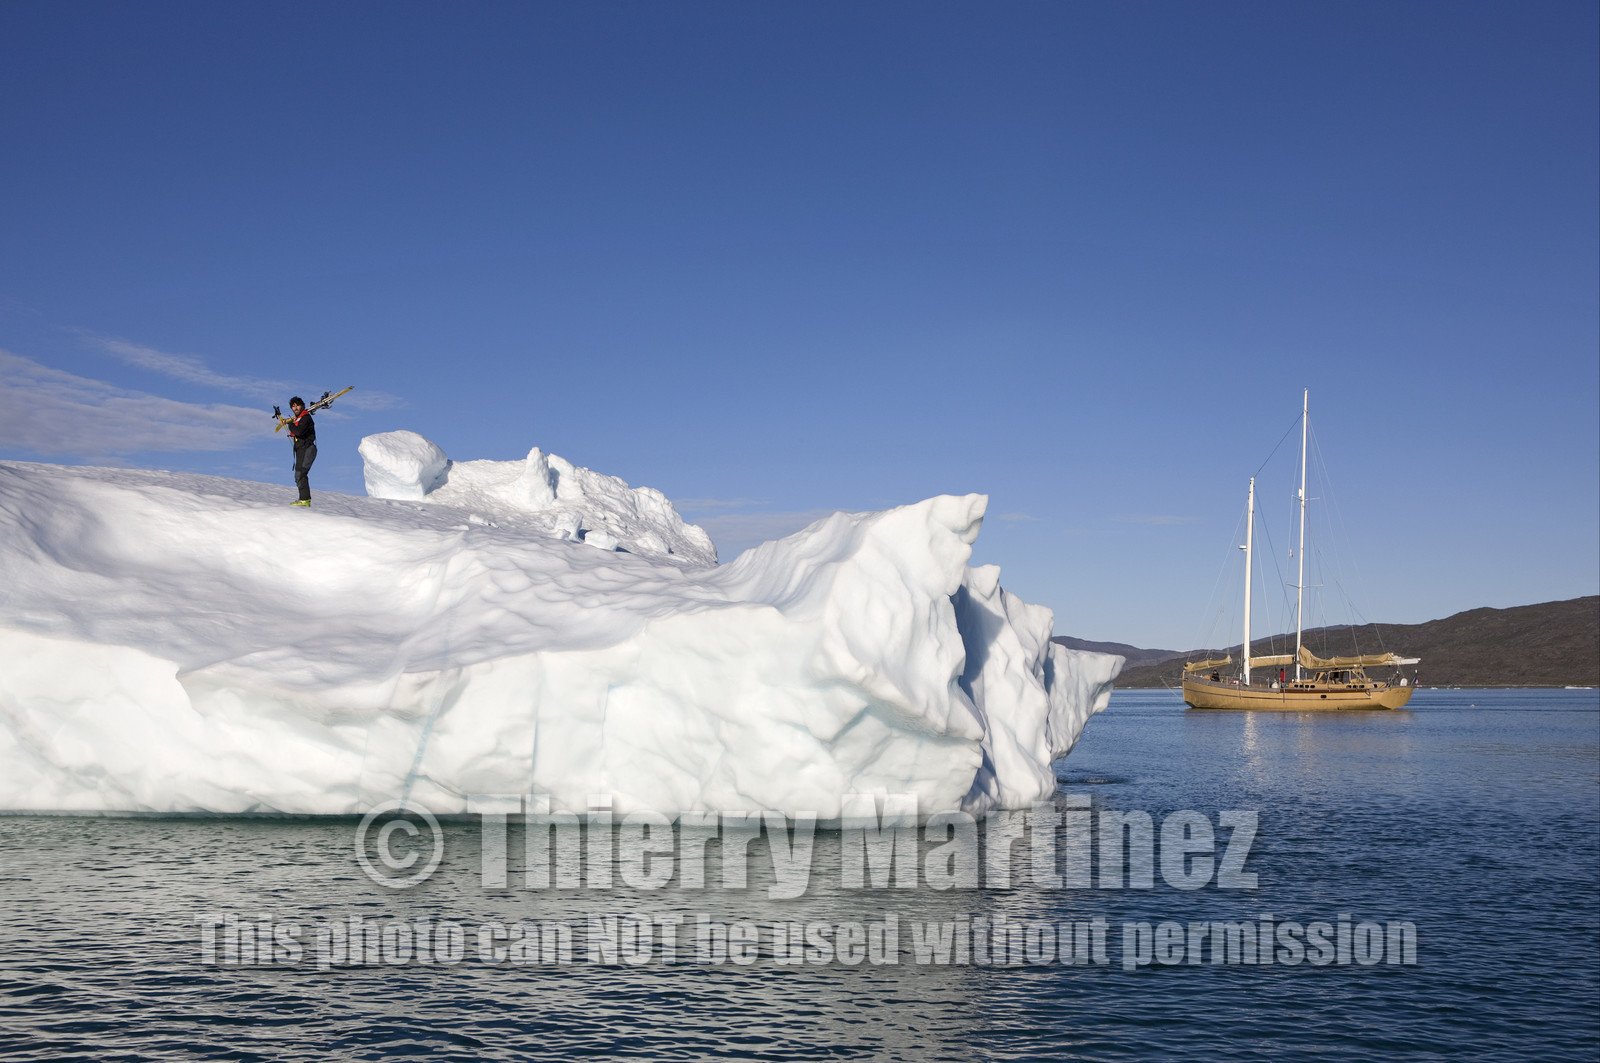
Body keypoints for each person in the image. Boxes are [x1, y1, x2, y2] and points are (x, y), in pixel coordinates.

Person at [284, 396, 316, 506]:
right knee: (298, 474)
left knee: (301, 473)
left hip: (308, 448)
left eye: (297, 405)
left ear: (302, 406)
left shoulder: (305, 418)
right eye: (293, 406)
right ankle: (303, 499)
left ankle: (305, 500)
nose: (295, 408)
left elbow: (299, 432)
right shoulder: (297, 419)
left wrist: (290, 424)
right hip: (301, 450)